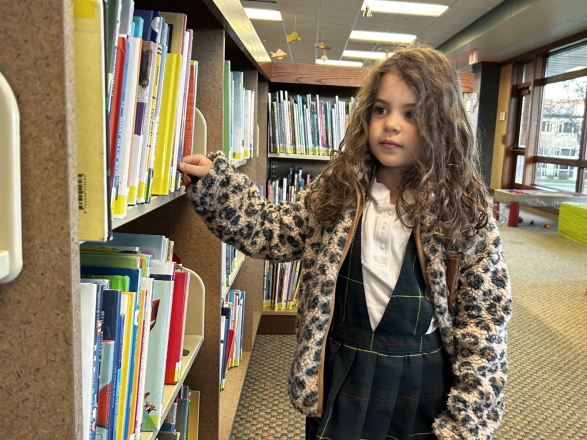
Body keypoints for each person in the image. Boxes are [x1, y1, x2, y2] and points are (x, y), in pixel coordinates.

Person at [178, 46, 512, 440]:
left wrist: (468, 420)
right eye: (381, 109)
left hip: (422, 385)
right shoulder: (337, 193)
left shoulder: (464, 215)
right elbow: (273, 230)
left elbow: (484, 325)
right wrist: (217, 185)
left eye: (412, 113)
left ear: (442, 124)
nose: (391, 125)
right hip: (340, 371)